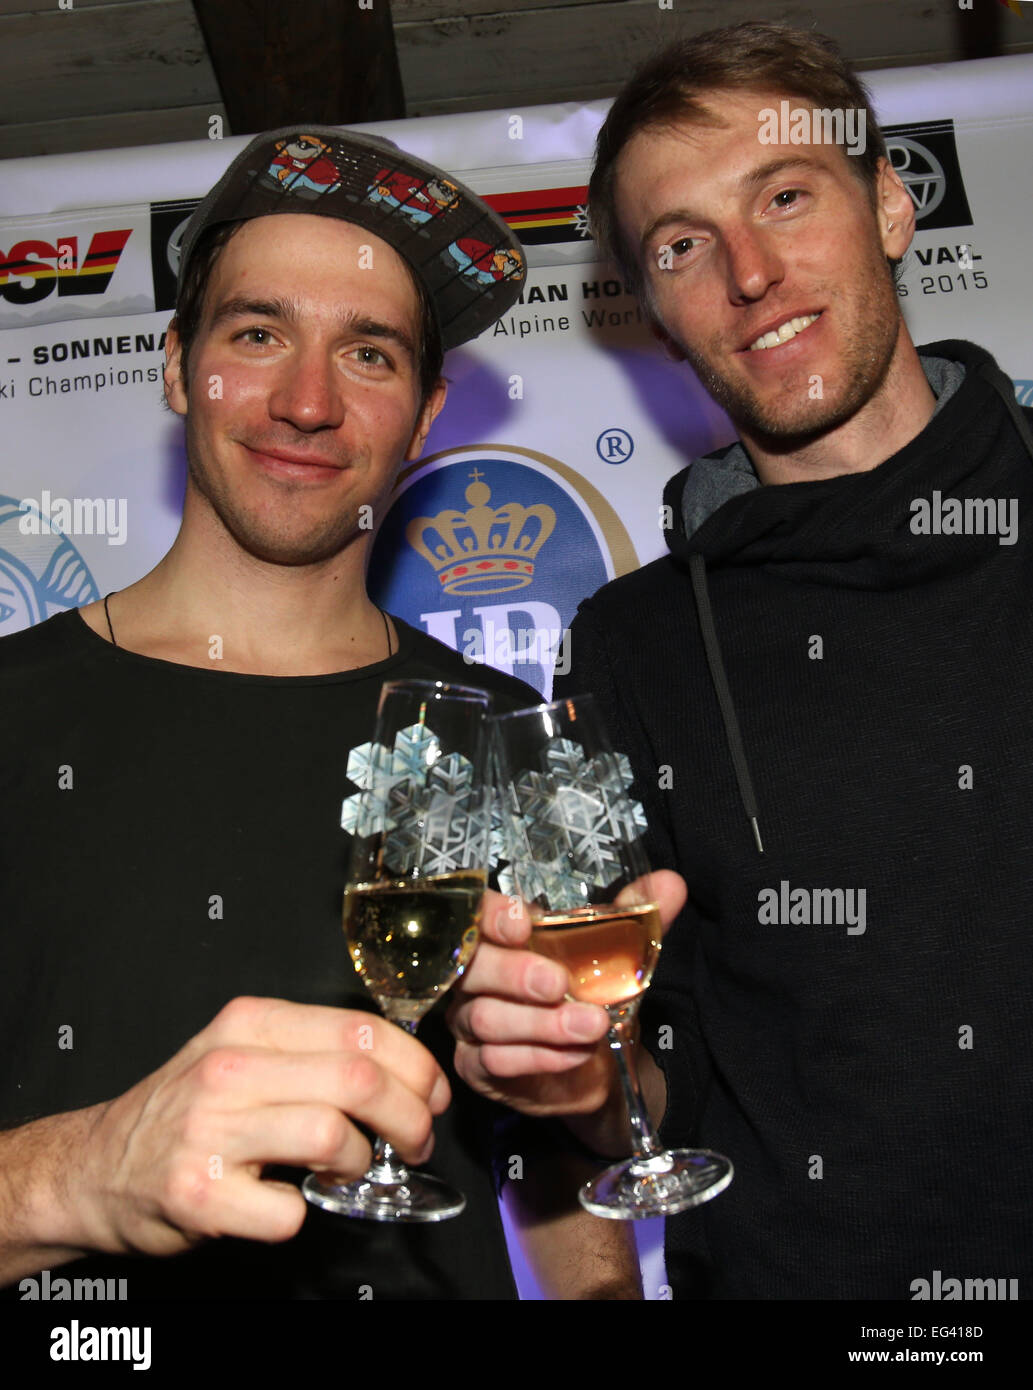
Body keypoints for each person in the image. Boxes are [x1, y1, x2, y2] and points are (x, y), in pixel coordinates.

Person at [0, 125, 637, 1301]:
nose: (305, 402)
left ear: (428, 411)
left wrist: (589, 1087)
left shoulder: (503, 736)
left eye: (369, 355)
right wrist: (79, 1173)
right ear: (178, 363)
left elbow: (561, 1174)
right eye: (256, 334)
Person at [448, 22, 1033, 1299]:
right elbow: (660, 1077)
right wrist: (577, 1079)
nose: (751, 273)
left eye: (783, 195)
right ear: (652, 315)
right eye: (681, 247)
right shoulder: (633, 644)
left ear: (887, 203)